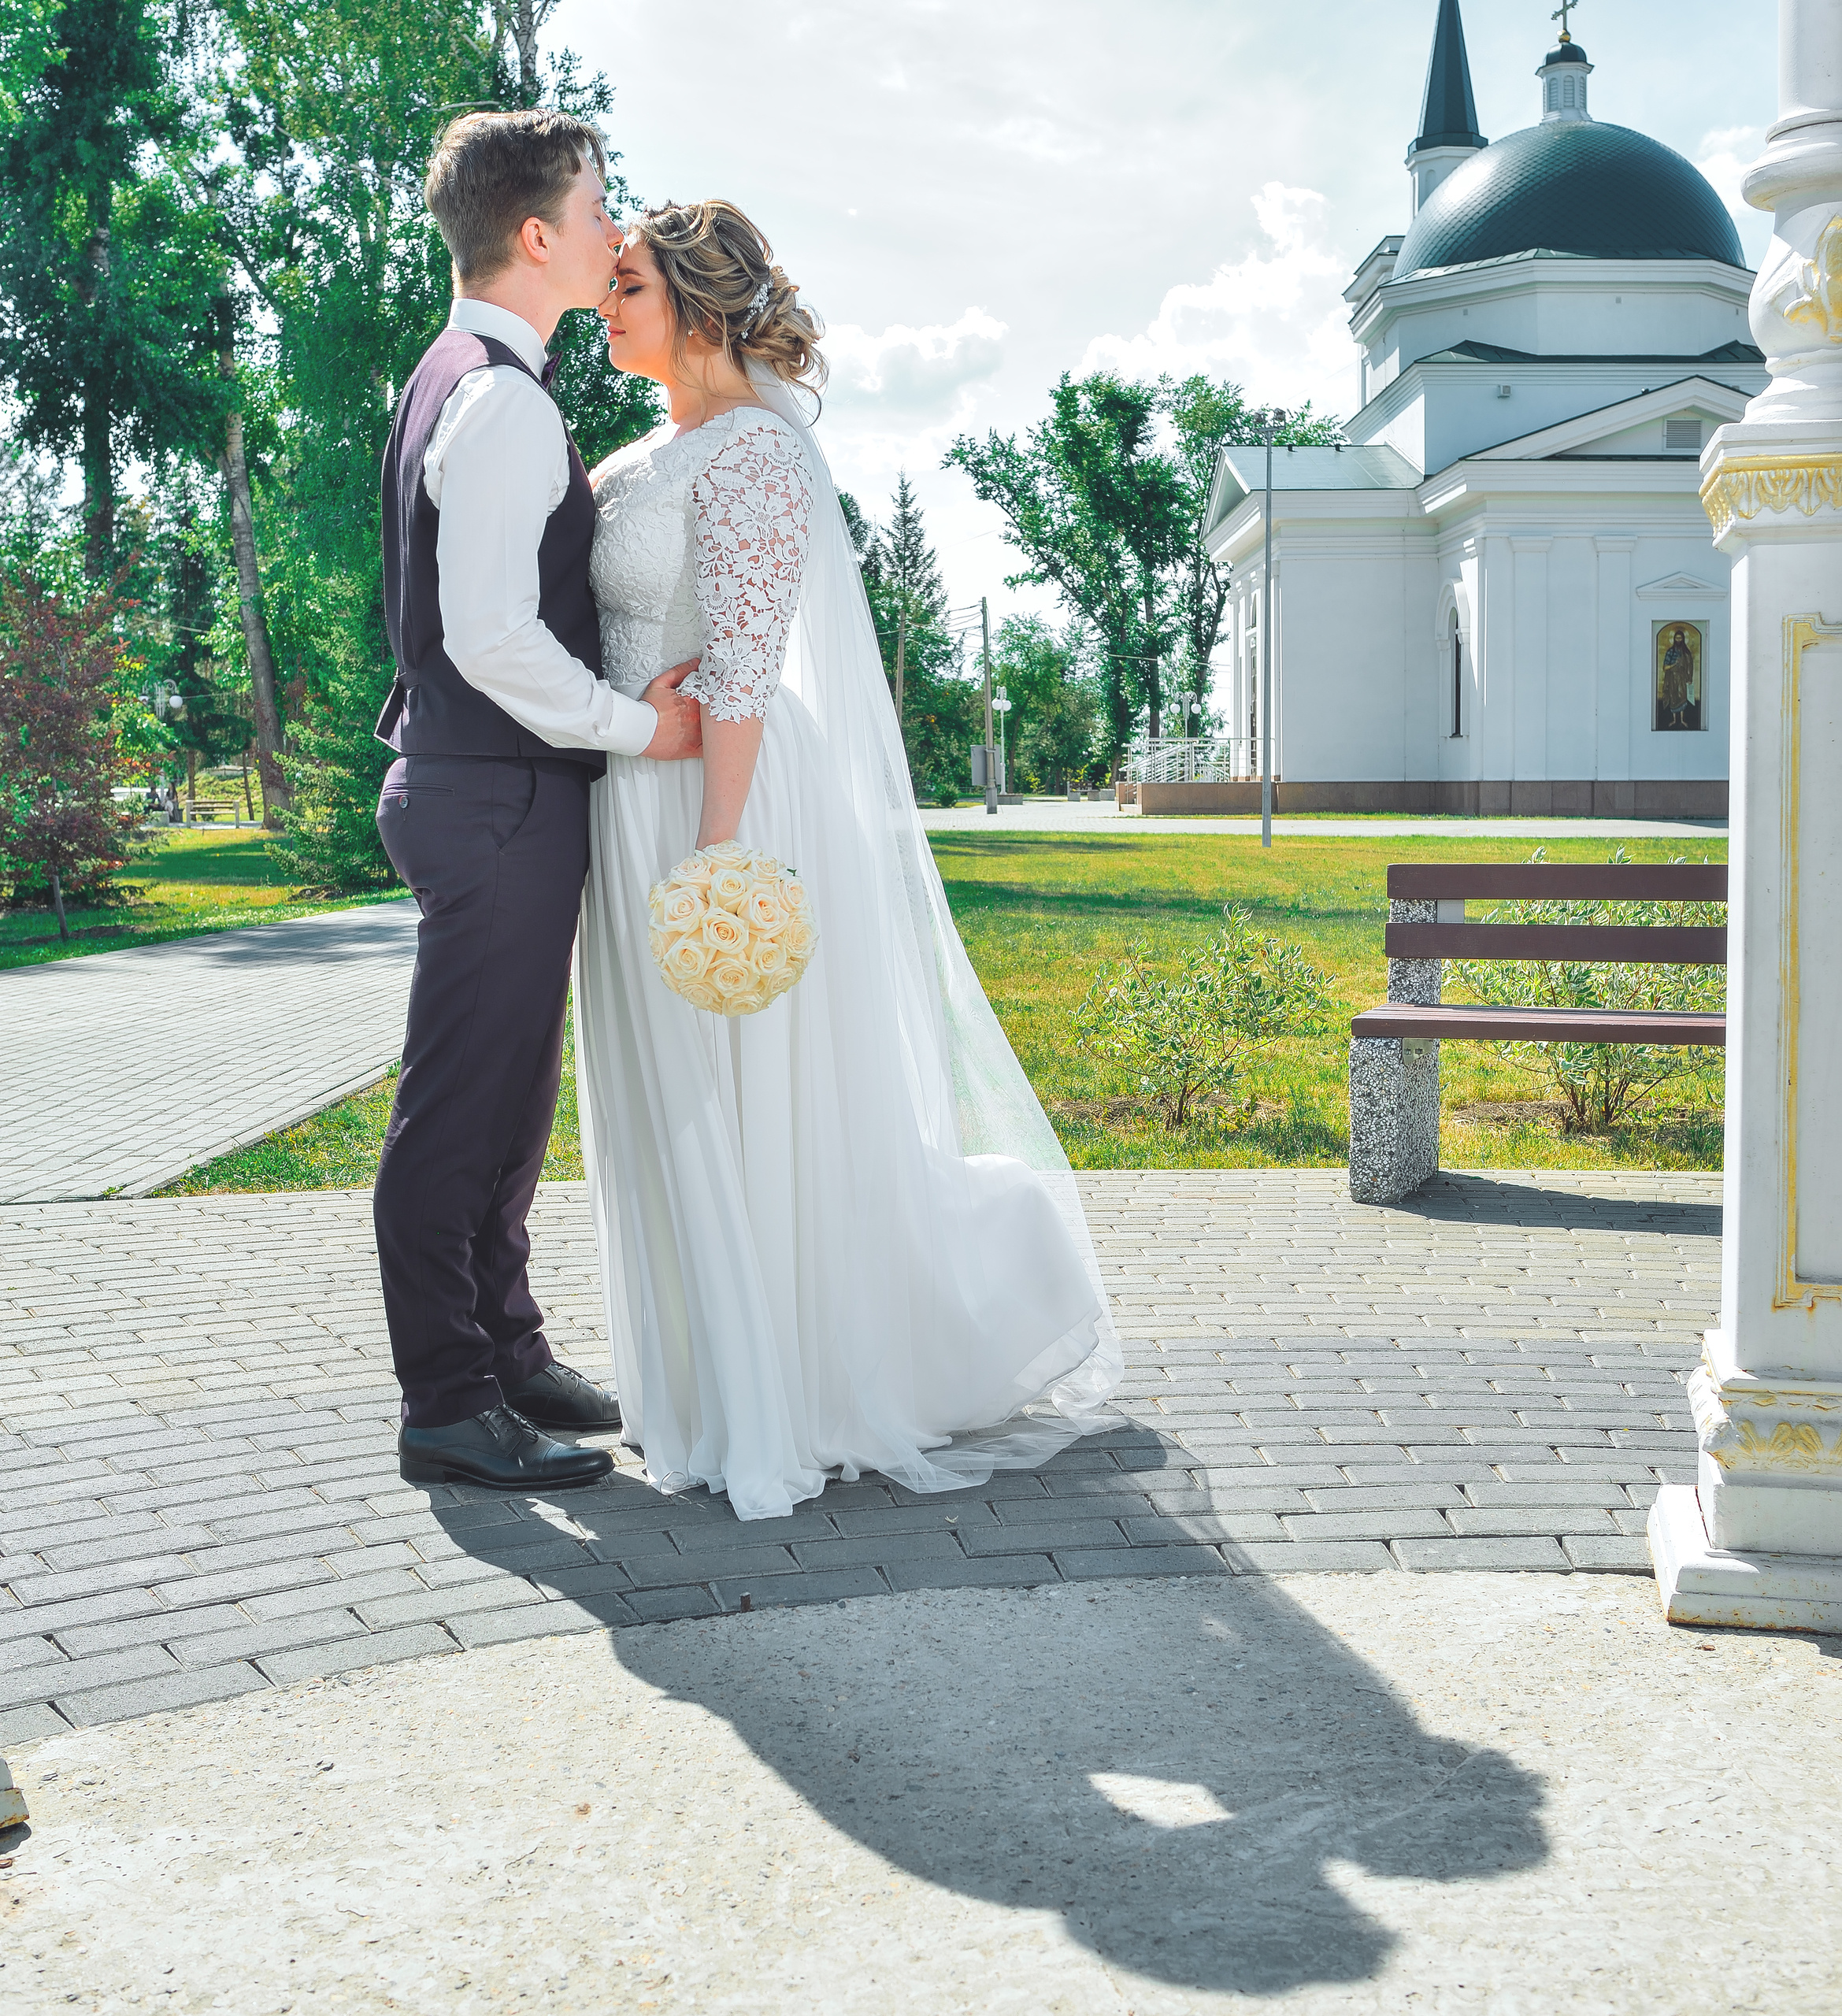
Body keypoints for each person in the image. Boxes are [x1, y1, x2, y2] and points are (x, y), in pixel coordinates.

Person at [573, 201, 1121, 1521]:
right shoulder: (640, 453)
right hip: (628, 790)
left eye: (629, 286)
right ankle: (700, 1386)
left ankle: (792, 1393)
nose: (606, 303)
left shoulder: (755, 453)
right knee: (667, 1098)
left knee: (740, 1087)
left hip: (727, 801)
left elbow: (749, 669)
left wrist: (716, 867)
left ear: (699, 311)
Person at [372, 111, 703, 1492]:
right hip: (499, 792)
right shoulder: (503, 400)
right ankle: (449, 1401)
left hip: (489, 790)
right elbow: (493, 637)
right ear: (534, 236)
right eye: (596, 206)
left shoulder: (461, 376)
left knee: (509, 1105)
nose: (614, 231)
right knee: (459, 1109)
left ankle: (507, 1353)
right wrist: (645, 730)